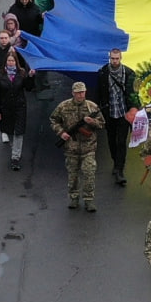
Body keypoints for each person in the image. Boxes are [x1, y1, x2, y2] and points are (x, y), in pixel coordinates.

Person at [50, 82, 106, 211]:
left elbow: (102, 124)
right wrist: (61, 132)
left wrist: (92, 122)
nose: (80, 95)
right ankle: (74, 197)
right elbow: (53, 120)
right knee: (73, 174)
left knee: (89, 173)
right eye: (78, 93)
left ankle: (88, 199)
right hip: (71, 147)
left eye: (82, 92)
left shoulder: (92, 107)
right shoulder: (64, 106)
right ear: (73, 93)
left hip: (89, 147)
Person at [97, 48, 138, 186]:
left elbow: (133, 94)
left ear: (120, 58)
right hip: (109, 111)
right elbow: (99, 91)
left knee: (121, 141)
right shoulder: (103, 72)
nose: (115, 61)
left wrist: (133, 109)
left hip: (123, 112)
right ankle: (116, 161)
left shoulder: (129, 73)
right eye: (112, 58)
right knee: (111, 140)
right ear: (110, 58)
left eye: (117, 58)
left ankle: (120, 169)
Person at [0, 51, 34, 170]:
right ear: (6, 62)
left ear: (16, 62)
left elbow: (29, 88)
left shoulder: (21, 73)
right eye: (9, 61)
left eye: (13, 61)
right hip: (6, 108)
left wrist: (30, 76)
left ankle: (15, 157)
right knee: (9, 130)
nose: (11, 63)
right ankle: (14, 149)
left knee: (19, 132)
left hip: (20, 107)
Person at [0, 29, 32, 96]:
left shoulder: (14, 51)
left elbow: (22, 66)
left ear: (9, 39)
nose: (4, 40)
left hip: (12, 83)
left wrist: (27, 77)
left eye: (6, 38)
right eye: (1, 38)